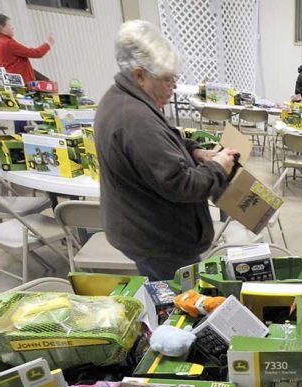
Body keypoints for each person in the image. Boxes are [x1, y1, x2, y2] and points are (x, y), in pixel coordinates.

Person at [95, 21, 238, 281]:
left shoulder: (125, 101)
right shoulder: (134, 118)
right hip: (159, 242)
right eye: (167, 80)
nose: (173, 89)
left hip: (147, 231)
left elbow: (162, 143)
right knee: (178, 301)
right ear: (140, 75)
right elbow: (181, 184)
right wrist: (217, 168)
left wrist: (195, 152)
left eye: (174, 79)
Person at [0, 12, 53, 85]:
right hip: (22, 84)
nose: (12, 27)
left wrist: (45, 79)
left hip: (12, 82)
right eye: (9, 25)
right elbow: (36, 53)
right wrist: (48, 44)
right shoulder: (7, 43)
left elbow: (17, 65)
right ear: (2, 27)